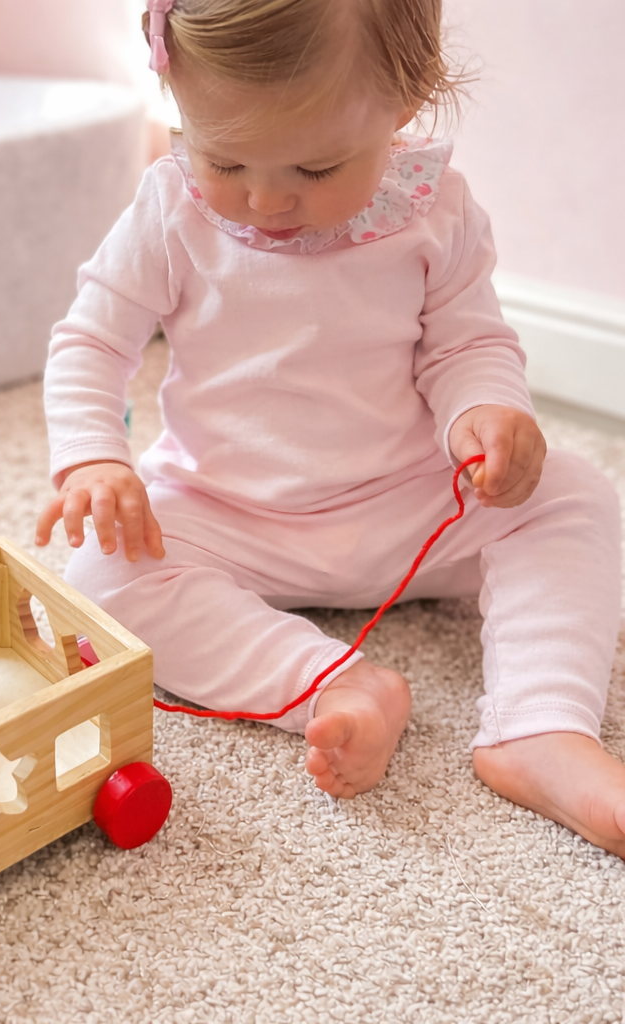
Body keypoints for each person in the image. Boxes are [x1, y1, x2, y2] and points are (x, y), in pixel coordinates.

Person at [35, 0, 624, 857]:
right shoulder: (170, 211)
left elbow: (468, 343)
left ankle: (539, 724)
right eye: (225, 157)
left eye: (317, 166)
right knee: (100, 580)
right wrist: (92, 456)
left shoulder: (434, 211)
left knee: (575, 493)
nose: (267, 199)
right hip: (229, 514)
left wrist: (488, 413)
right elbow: (91, 338)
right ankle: (335, 685)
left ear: (406, 95)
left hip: (411, 508)